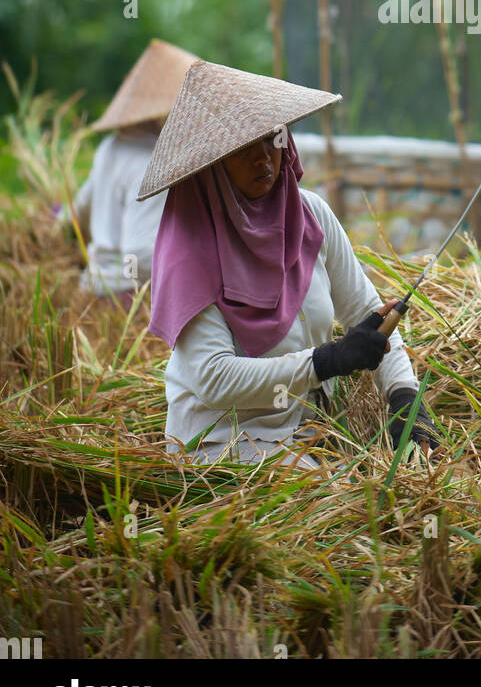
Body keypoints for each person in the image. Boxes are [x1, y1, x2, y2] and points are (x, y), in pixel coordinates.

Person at [139, 59, 438, 467]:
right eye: (242, 149)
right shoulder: (192, 245)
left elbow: (370, 312)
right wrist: (328, 361)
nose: (263, 158)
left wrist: (405, 397)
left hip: (309, 434)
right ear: (212, 165)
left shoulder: (310, 215)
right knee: (346, 508)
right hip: (221, 447)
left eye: (271, 140)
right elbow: (212, 378)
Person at [74, 39, 199, 306]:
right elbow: (142, 255)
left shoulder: (109, 148)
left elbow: (80, 209)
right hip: (127, 301)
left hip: (93, 289)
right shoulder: (155, 162)